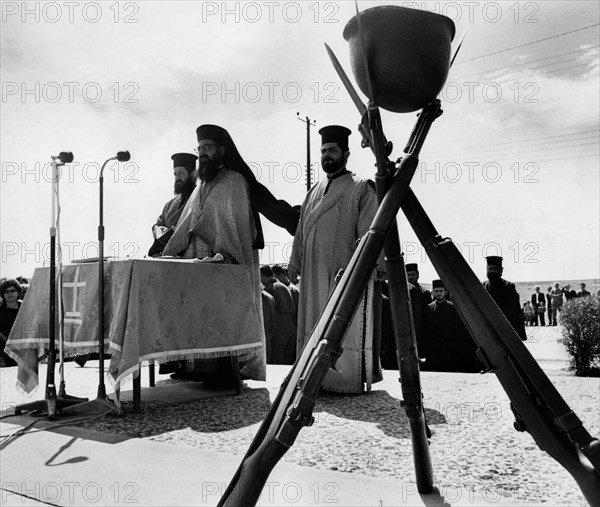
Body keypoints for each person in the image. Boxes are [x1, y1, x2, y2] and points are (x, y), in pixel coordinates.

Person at [162, 124, 299, 382]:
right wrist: (167, 251)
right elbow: (186, 223)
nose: (202, 153)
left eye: (208, 148)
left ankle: (226, 371)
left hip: (225, 266)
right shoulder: (201, 184)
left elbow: (239, 226)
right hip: (199, 267)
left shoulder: (235, 181)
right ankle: (197, 368)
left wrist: (219, 249)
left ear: (222, 151)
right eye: (200, 148)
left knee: (223, 320)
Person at [289, 125, 383, 394]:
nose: (326, 155)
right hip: (311, 273)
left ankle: (343, 380)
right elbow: (300, 231)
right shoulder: (313, 191)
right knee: (314, 320)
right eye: (323, 151)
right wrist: (295, 262)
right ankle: (312, 376)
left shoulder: (362, 188)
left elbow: (370, 234)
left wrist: (361, 269)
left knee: (341, 324)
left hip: (344, 272)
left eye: (332, 150)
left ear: (346, 153)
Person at [421, 280, 481, 373]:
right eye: (436, 291)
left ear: (445, 292)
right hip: (435, 349)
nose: (439, 294)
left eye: (441, 291)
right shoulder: (429, 308)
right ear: (433, 292)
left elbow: (458, 330)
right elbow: (426, 330)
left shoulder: (453, 307)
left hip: (450, 348)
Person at [149, 152, 198, 257]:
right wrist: (158, 229)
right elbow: (158, 225)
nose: (177, 178)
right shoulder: (169, 206)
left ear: (193, 174)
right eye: (175, 174)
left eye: (181, 173)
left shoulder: (201, 199)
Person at [482, 256, 527, 341]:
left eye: (495, 269)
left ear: (501, 270)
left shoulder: (509, 286)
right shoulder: (482, 286)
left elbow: (514, 310)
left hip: (505, 329)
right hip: (488, 329)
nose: (492, 271)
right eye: (490, 268)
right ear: (486, 269)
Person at [260, 265, 296, 365]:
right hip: (291, 327)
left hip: (278, 328)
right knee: (288, 362)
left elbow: (268, 313)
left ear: (263, 277)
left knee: (277, 362)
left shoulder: (269, 289)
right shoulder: (284, 286)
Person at [0, 278, 22, 367]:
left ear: (18, 292)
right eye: (6, 291)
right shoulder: (0, 311)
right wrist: (8, 342)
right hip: (4, 348)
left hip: (24, 348)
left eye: (12, 290)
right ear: (2, 294)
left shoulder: (25, 307)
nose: (9, 293)